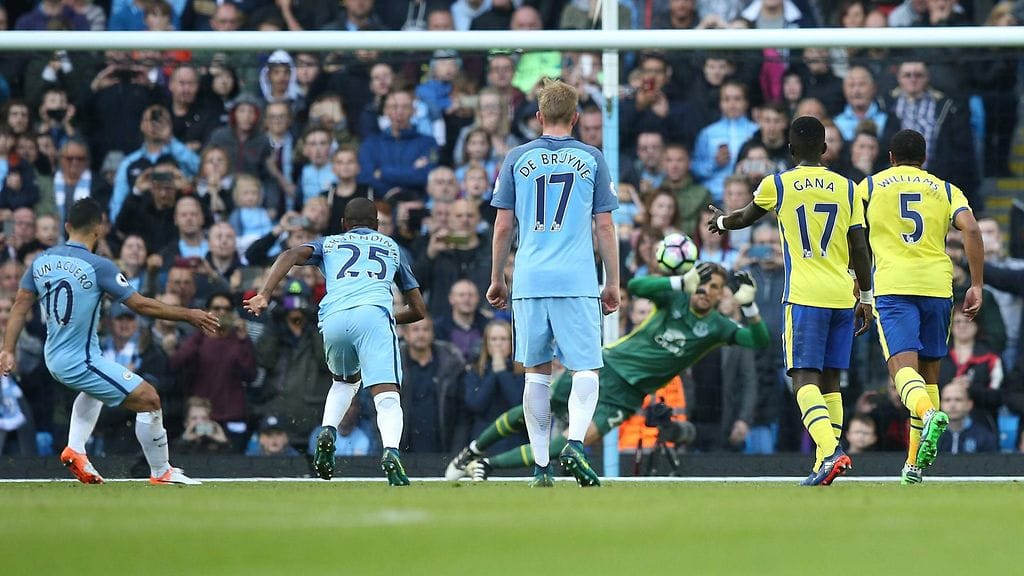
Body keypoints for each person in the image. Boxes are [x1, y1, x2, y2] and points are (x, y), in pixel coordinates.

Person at [446, 264, 769, 479]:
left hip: (626, 396)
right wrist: (679, 282)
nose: (705, 290)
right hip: (606, 366)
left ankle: (486, 465)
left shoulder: (717, 327)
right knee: (535, 410)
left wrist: (750, 307)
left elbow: (758, 340)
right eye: (703, 283)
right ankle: (471, 451)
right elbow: (638, 285)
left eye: (714, 287)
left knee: (570, 442)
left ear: (721, 294)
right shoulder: (674, 300)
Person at [0, 198, 219, 484]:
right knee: (149, 398)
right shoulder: (99, 266)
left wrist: (7, 349)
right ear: (99, 229)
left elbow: (19, 305)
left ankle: (75, 449)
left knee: (94, 391)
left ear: (67, 226)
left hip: (54, 355)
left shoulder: (41, 261)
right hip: (80, 360)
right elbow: (140, 305)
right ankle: (161, 471)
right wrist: (188, 314)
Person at [707, 116, 875, 486]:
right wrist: (866, 295)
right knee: (831, 381)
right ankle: (823, 462)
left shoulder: (779, 183)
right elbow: (860, 247)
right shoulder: (848, 188)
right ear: (825, 149)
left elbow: (744, 218)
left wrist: (721, 223)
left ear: (790, 149)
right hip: (841, 295)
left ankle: (830, 451)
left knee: (803, 380)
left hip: (804, 295)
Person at [488, 78, 619, 488]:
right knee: (585, 368)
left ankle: (541, 467)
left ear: (539, 116)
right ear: (576, 117)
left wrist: (497, 277)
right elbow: (605, 226)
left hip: (530, 278)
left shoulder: (516, 158)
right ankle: (575, 443)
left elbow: (503, 225)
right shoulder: (592, 158)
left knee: (536, 373)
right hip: (576, 278)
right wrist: (613, 281)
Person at [244, 198, 427, 486]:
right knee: (387, 394)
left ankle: (328, 430)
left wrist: (264, 294)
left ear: (344, 224)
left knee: (344, 382)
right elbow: (418, 310)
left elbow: (290, 254)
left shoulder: (329, 243)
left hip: (333, 317)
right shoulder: (391, 247)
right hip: (375, 315)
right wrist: (383, 318)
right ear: (377, 225)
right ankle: (391, 452)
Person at [857, 128, 985, 484]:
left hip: (893, 287)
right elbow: (972, 230)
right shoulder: (945, 189)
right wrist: (976, 284)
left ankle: (929, 414)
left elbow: (854, 235)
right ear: (924, 158)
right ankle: (913, 465)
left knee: (902, 370)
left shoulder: (870, 186)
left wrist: (856, 281)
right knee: (929, 375)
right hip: (937, 287)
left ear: (891, 158)